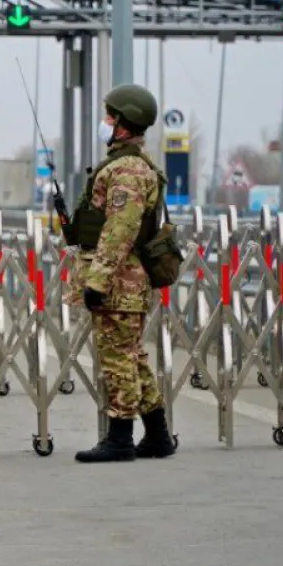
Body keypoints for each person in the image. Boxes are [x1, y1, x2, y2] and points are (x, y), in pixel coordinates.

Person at [70, 83, 177, 463]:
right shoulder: (126, 164)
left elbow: (120, 230)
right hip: (125, 277)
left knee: (117, 358)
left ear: (125, 124)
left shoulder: (128, 171)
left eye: (110, 117)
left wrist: (97, 281)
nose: (106, 122)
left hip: (120, 280)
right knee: (132, 356)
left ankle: (119, 438)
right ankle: (158, 436)